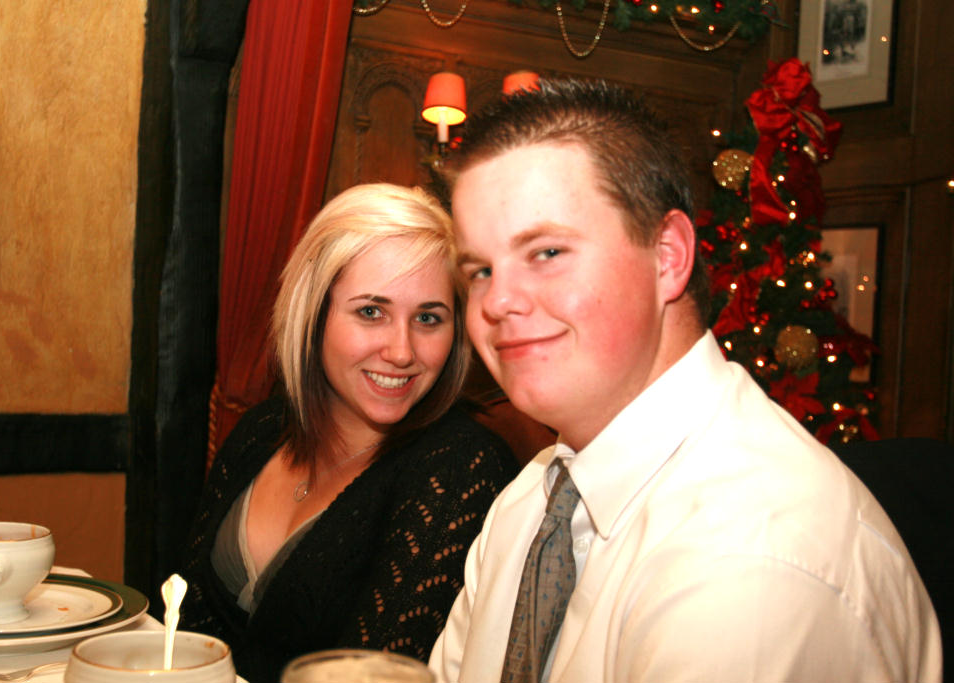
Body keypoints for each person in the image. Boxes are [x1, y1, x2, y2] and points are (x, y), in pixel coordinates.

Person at [429, 79, 941, 682]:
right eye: (481, 271)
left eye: (546, 253)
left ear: (668, 255)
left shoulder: (751, 563)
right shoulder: (530, 501)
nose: (498, 301)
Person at [179, 183, 519, 683]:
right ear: (313, 312)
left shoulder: (461, 471)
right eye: (371, 312)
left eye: (428, 318)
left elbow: (380, 674)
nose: (401, 351)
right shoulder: (261, 431)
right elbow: (182, 627)